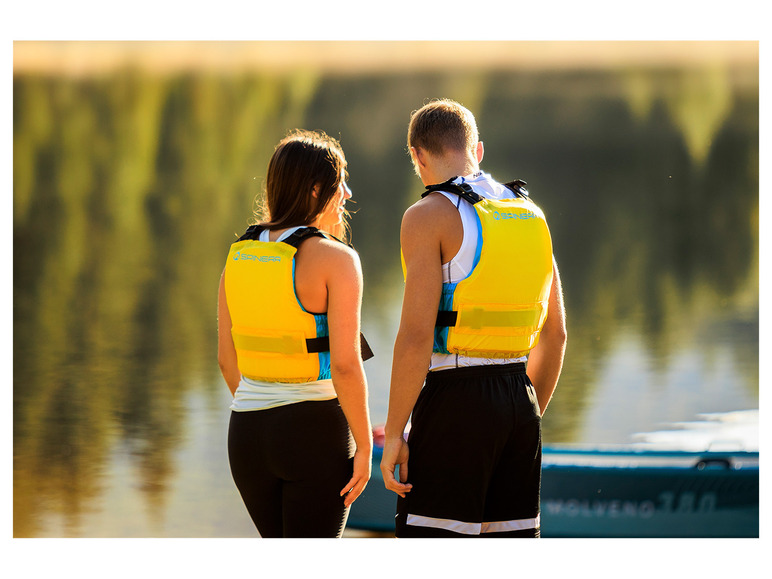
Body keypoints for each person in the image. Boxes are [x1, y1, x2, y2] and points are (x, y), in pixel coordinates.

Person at [380, 99, 567, 538]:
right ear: (477, 151)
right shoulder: (531, 214)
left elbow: (415, 338)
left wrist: (393, 435)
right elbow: (555, 335)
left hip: (455, 404)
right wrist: (524, 413)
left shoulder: (426, 216)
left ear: (418, 157)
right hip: (521, 400)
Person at [217, 129, 373, 538]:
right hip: (314, 432)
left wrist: (265, 407)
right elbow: (344, 364)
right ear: (318, 188)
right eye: (342, 183)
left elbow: (226, 359)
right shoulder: (337, 259)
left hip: (247, 434)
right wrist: (365, 445)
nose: (348, 194)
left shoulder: (239, 254)